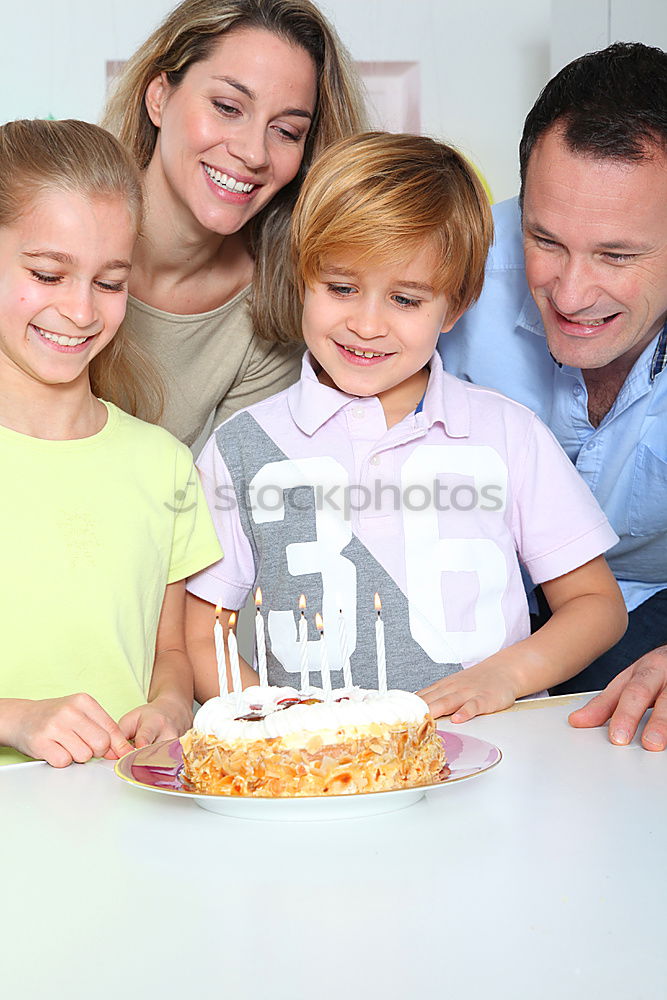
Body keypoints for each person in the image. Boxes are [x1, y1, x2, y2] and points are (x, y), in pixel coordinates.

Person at [184, 131, 627, 721]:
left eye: (406, 299)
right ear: (300, 279)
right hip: (323, 773)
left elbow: (596, 605)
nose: (366, 326)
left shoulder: (509, 435)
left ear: (458, 304)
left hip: (500, 762)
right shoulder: (240, 448)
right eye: (341, 288)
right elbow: (201, 629)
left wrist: (508, 675)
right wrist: (280, 726)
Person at [439, 42, 667, 750]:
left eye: (616, 256)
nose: (569, 294)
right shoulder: (450, 265)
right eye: (544, 239)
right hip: (477, 592)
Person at [0, 119, 222, 768]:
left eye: (109, 282)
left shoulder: (164, 466)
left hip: (128, 821)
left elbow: (170, 654)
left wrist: (172, 707)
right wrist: (17, 717)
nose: (80, 311)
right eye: (47, 274)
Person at [102, 0, 366, 446]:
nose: (254, 153)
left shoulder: (274, 310)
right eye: (228, 107)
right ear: (159, 98)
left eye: (286, 131)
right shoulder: (36, 240)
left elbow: (216, 499)